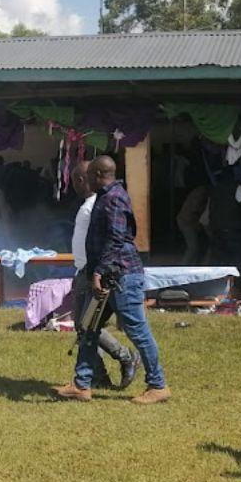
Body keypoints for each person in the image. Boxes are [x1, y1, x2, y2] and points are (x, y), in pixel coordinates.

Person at [53, 156, 170, 404]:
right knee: (88, 327)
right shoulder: (104, 198)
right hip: (106, 277)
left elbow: (117, 240)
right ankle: (82, 384)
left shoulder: (114, 198)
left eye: (88, 176)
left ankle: (158, 385)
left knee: (137, 331)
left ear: (97, 175)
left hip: (121, 277)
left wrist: (98, 271)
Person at [66, 161, 140, 389]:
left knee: (87, 326)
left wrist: (96, 271)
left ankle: (125, 356)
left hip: (92, 273)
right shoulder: (91, 204)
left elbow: (110, 239)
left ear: (82, 179)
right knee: (84, 327)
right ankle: (98, 376)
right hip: (85, 270)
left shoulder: (95, 204)